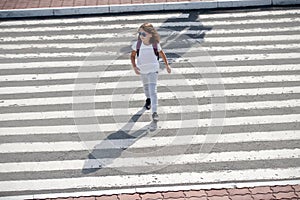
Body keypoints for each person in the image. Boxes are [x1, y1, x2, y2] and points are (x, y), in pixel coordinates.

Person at [131, 23, 171, 121]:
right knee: (146, 88)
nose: (141, 36)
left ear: (150, 35)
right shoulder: (137, 44)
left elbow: (162, 54)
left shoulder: (155, 44)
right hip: (142, 70)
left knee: (153, 91)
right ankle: (148, 99)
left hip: (153, 70)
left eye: (143, 34)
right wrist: (135, 67)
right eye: (140, 33)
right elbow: (132, 56)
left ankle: (154, 112)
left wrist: (167, 65)